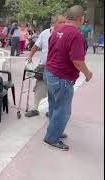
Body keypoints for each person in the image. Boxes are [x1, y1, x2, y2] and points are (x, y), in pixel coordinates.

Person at [43, 5, 93, 150]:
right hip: (61, 77)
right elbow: (77, 61)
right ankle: (52, 138)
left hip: (50, 73)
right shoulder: (76, 34)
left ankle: (54, 129)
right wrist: (87, 73)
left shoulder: (58, 30)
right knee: (63, 110)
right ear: (80, 18)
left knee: (54, 105)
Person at [25, 15, 66, 118]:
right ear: (54, 23)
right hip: (44, 66)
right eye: (61, 22)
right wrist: (30, 56)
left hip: (58, 68)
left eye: (64, 22)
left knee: (55, 91)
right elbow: (35, 46)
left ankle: (51, 110)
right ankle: (35, 108)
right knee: (39, 88)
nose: (63, 24)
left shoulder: (66, 34)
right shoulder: (45, 33)